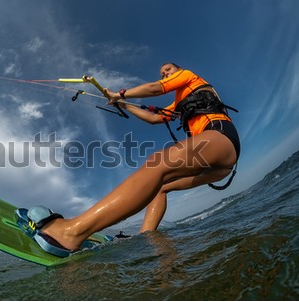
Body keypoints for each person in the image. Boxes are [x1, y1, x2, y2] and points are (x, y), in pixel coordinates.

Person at [22, 63, 240, 256]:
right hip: (218, 162)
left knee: (157, 164)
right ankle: (146, 238)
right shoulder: (177, 104)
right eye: (162, 72)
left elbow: (155, 88)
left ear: (178, 71)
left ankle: (70, 232)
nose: (165, 74)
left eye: (168, 70)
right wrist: (123, 104)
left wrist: (121, 94)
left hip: (220, 136)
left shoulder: (189, 77)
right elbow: (154, 119)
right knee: (160, 187)